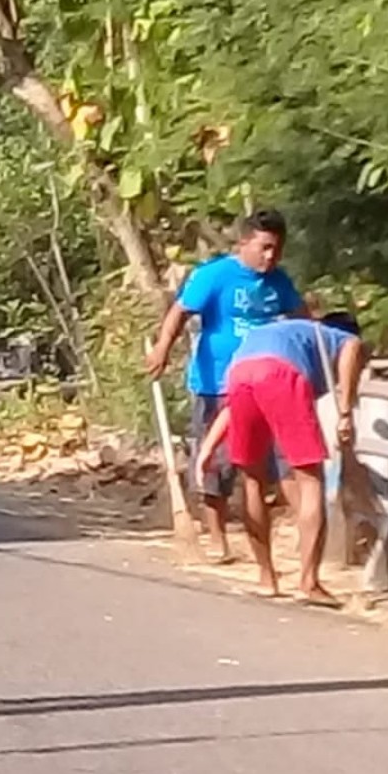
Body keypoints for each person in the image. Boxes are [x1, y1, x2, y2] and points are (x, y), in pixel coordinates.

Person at [147, 210, 309, 562]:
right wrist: (162, 348)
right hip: (218, 383)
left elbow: (302, 322)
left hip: (269, 385)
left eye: (276, 250)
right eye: (264, 248)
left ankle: (304, 535)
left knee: (282, 461)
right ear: (244, 243)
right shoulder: (214, 276)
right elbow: (180, 312)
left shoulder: (279, 282)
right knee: (217, 463)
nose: (270, 257)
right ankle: (217, 537)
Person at [196, 313, 366, 606]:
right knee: (310, 478)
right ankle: (309, 582)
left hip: (239, 375)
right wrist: (346, 411)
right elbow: (352, 347)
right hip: (280, 377)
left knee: (253, 480)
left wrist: (206, 448)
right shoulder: (336, 336)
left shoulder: (283, 333)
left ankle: (266, 579)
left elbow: (229, 408)